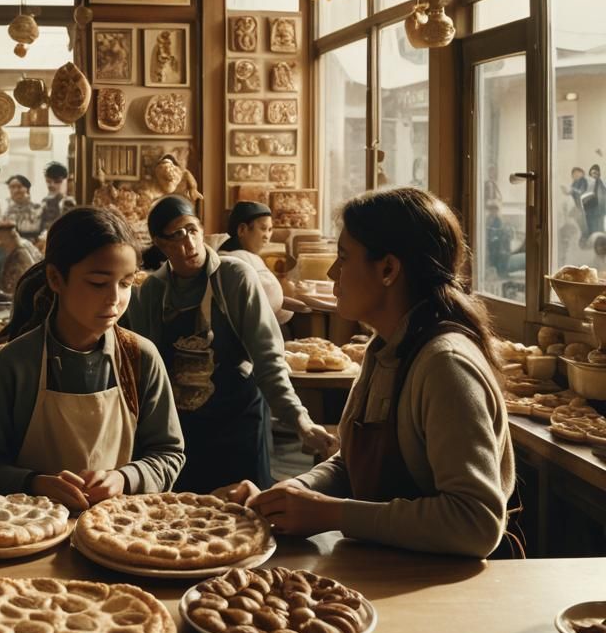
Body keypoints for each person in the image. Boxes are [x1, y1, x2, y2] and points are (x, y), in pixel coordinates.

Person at [227, 188, 516, 559]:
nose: (332, 272)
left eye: (344, 258)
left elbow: (476, 522)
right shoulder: (386, 348)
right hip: (391, 567)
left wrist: (331, 513)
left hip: (443, 583)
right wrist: (291, 495)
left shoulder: (445, 364)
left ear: (388, 270)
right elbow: (351, 466)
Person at [0, 207, 185, 509]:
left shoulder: (140, 358)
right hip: (28, 525)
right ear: (55, 278)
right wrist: (33, 483)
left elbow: (169, 454)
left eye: (126, 283)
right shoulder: (17, 364)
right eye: (98, 283)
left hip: (120, 525)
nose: (114, 299)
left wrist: (125, 478)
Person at [125, 196, 334, 495]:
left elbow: (268, 358)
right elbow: (146, 372)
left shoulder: (234, 277)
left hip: (238, 422)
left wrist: (299, 419)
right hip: (183, 430)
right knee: (183, 513)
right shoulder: (152, 292)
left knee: (246, 510)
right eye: (177, 235)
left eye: (193, 230)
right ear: (160, 244)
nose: (190, 243)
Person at [216, 201, 291, 326]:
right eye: (263, 229)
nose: (267, 236)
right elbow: (261, 302)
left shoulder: (246, 256)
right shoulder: (234, 259)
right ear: (242, 230)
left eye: (270, 230)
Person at [0, 221, 41, 298]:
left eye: (1, 238)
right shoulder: (25, 245)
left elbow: (23, 281)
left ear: (10, 236)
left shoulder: (21, 253)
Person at [3, 174, 43, 239]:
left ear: (27, 189)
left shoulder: (37, 208)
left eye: (19, 187)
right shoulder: (7, 210)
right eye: (12, 187)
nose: (16, 191)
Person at [37, 161, 69, 233]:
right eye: (48, 181)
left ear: (65, 181)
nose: (52, 185)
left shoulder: (69, 202)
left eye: (57, 181)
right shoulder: (45, 201)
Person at [564, 167, 589, 239]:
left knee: (582, 222)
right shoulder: (574, 183)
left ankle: (585, 236)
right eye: (573, 174)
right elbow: (571, 193)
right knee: (576, 220)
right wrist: (566, 192)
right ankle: (582, 235)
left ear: (582, 173)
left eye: (577, 173)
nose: (575, 175)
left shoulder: (583, 181)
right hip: (577, 205)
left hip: (584, 205)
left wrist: (572, 190)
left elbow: (581, 192)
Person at [583, 163, 606, 237]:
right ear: (590, 174)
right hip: (589, 211)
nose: (594, 175)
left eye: (596, 173)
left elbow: (603, 197)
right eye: (592, 173)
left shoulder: (601, 185)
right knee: (590, 230)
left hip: (599, 212)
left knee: (599, 229)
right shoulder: (587, 183)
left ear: (599, 174)